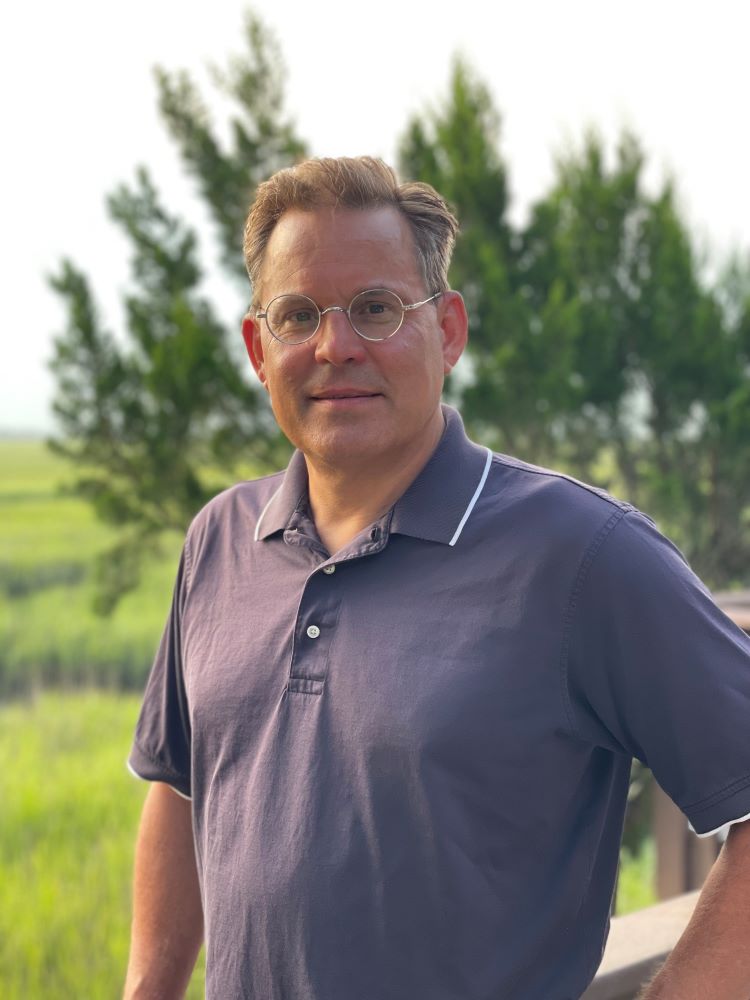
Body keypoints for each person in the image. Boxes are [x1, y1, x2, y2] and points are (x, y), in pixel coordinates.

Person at [124, 156, 750, 1000]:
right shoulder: (219, 541)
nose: (335, 346)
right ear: (257, 348)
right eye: (297, 315)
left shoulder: (583, 555)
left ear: (448, 330)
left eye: (376, 309)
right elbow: (182, 784)